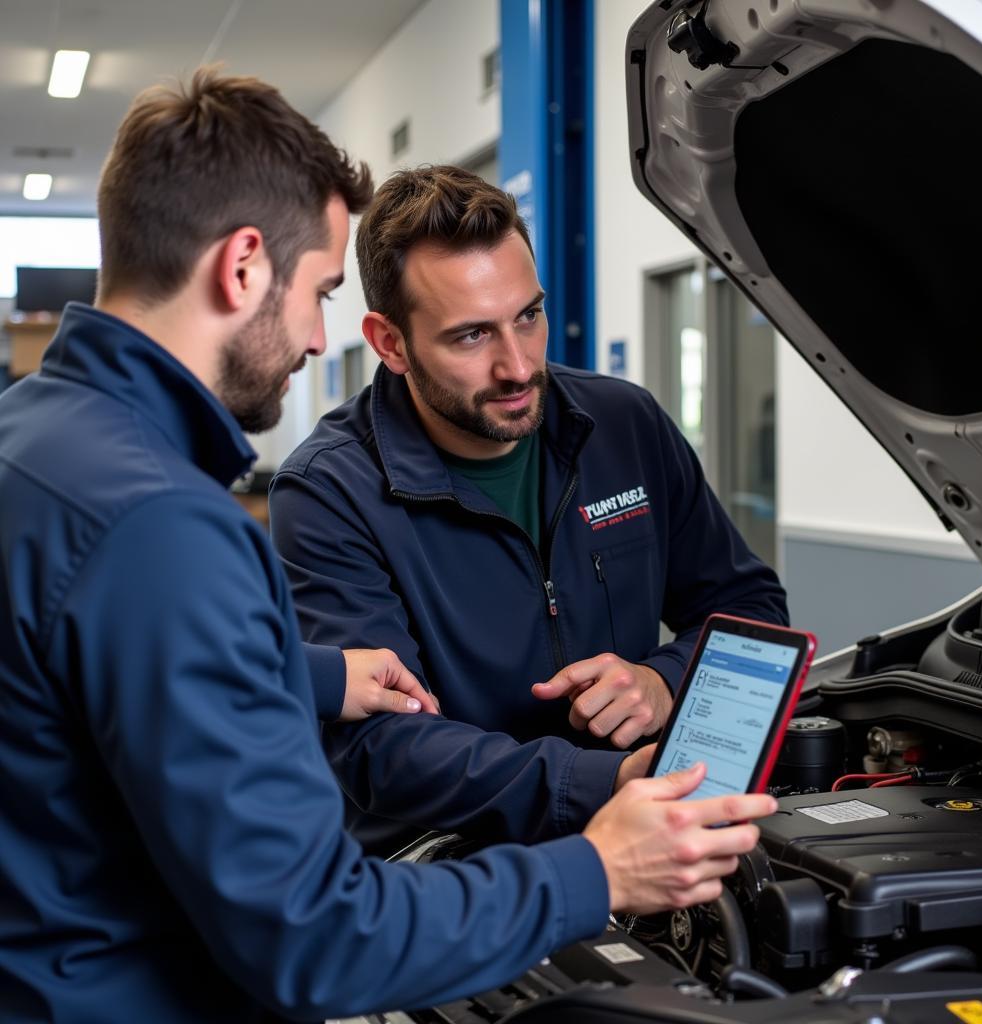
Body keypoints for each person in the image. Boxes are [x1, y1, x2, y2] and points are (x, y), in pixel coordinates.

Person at [0, 71, 777, 1023]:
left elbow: (112, 673)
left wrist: (318, 676)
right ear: (244, 267)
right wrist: (600, 865)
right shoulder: (170, 520)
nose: (314, 338)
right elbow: (314, 935)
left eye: (529, 316)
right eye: (317, 291)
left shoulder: (33, 442)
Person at [269, 165, 789, 852]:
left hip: (644, 832)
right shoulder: (329, 491)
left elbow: (751, 609)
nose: (519, 367)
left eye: (529, 316)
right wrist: (605, 781)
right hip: (445, 869)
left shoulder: (622, 423)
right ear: (390, 342)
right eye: (472, 336)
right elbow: (386, 749)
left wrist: (663, 681)